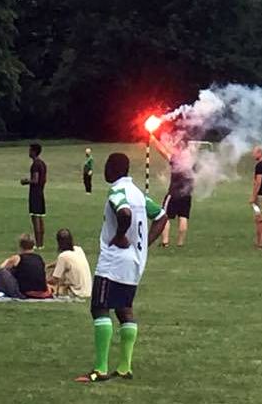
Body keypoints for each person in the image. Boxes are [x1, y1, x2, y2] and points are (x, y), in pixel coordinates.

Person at [75, 153, 168, 383]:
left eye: (107, 166)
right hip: (135, 262)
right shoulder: (138, 193)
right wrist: (144, 244)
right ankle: (125, 367)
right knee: (124, 309)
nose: (104, 170)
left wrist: (119, 235)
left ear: (114, 169)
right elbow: (162, 216)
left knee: (100, 308)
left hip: (114, 261)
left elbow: (123, 213)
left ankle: (100, 369)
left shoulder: (117, 191)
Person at [150, 134, 193, 248]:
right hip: (187, 192)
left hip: (174, 192)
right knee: (183, 217)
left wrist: (153, 139)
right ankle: (180, 243)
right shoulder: (190, 158)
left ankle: (165, 241)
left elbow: (163, 152)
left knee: (165, 215)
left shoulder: (177, 158)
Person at [0, 234, 52, 299]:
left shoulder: (17, 258)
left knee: (1, 272)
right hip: (41, 291)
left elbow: (1, 268)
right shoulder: (39, 258)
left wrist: (7, 260)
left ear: (20, 246)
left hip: (24, 292)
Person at [47, 228, 92, 298]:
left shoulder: (63, 256)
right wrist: (49, 266)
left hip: (77, 292)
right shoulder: (78, 250)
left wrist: (42, 280)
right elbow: (61, 263)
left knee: (50, 286)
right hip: (87, 290)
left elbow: (54, 280)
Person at [20, 143, 48, 249]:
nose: (29, 152)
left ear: (34, 151)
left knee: (35, 217)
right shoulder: (42, 163)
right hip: (41, 192)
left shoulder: (35, 164)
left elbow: (35, 179)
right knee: (40, 217)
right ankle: (41, 243)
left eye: (30, 150)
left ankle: (38, 243)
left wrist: (26, 181)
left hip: (35, 194)